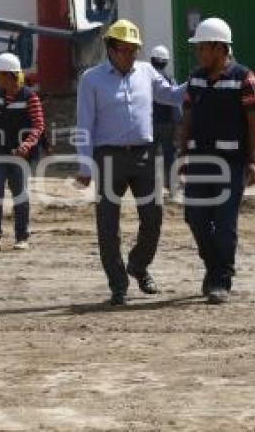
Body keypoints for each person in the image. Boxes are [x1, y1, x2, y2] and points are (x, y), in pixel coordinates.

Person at [75, 19, 185, 306]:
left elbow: (173, 96)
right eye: (125, 49)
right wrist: (85, 165)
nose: (130, 55)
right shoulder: (92, 79)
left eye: (134, 50)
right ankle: (118, 284)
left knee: (154, 217)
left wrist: (199, 80)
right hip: (107, 158)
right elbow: (85, 123)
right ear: (110, 49)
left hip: (144, 157)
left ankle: (138, 265)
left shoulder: (147, 72)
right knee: (108, 225)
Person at [179, 17, 255, 305]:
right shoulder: (196, 78)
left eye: (202, 47)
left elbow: (254, 125)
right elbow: (187, 120)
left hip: (232, 164)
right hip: (200, 162)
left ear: (219, 47)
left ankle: (220, 279)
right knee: (195, 217)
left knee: (225, 224)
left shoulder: (244, 78)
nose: (199, 52)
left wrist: (253, 161)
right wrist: (182, 157)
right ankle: (214, 266)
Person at [0, 52, 45, 252]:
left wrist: (26, 145)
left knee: (20, 195)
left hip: (20, 157)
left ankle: (22, 237)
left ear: (8, 75)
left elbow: (38, 126)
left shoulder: (30, 97)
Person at [150, 45, 182, 195]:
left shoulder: (145, 78)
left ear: (152, 60)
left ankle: (150, 188)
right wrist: (179, 124)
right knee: (170, 155)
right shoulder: (169, 79)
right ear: (166, 62)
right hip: (167, 124)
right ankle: (173, 187)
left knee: (149, 157)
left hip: (149, 125)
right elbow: (176, 103)